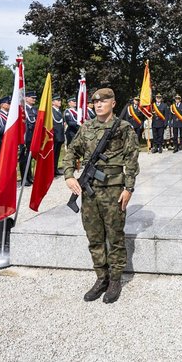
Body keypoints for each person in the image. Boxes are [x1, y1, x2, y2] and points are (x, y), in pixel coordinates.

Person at [62, 87, 139, 304]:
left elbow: (132, 159)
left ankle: (115, 280)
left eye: (103, 101)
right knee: (94, 236)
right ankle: (101, 277)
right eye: (95, 102)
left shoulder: (123, 128)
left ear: (113, 103)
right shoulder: (87, 127)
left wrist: (129, 188)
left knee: (114, 236)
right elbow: (72, 151)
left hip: (114, 190)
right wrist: (69, 175)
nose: (98, 104)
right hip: (90, 191)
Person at [21, 91, 37, 184]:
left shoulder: (34, 109)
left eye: (34, 98)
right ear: (26, 98)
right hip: (25, 137)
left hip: (32, 137)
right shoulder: (23, 109)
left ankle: (29, 176)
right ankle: (24, 179)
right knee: (24, 158)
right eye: (32, 98)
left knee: (30, 157)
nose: (34, 99)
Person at [52, 96, 66, 176]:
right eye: (57, 100)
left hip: (60, 136)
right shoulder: (51, 111)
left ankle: (55, 169)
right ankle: (51, 170)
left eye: (60, 100)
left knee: (57, 154)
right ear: (53, 102)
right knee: (53, 154)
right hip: (54, 136)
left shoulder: (59, 111)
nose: (60, 102)